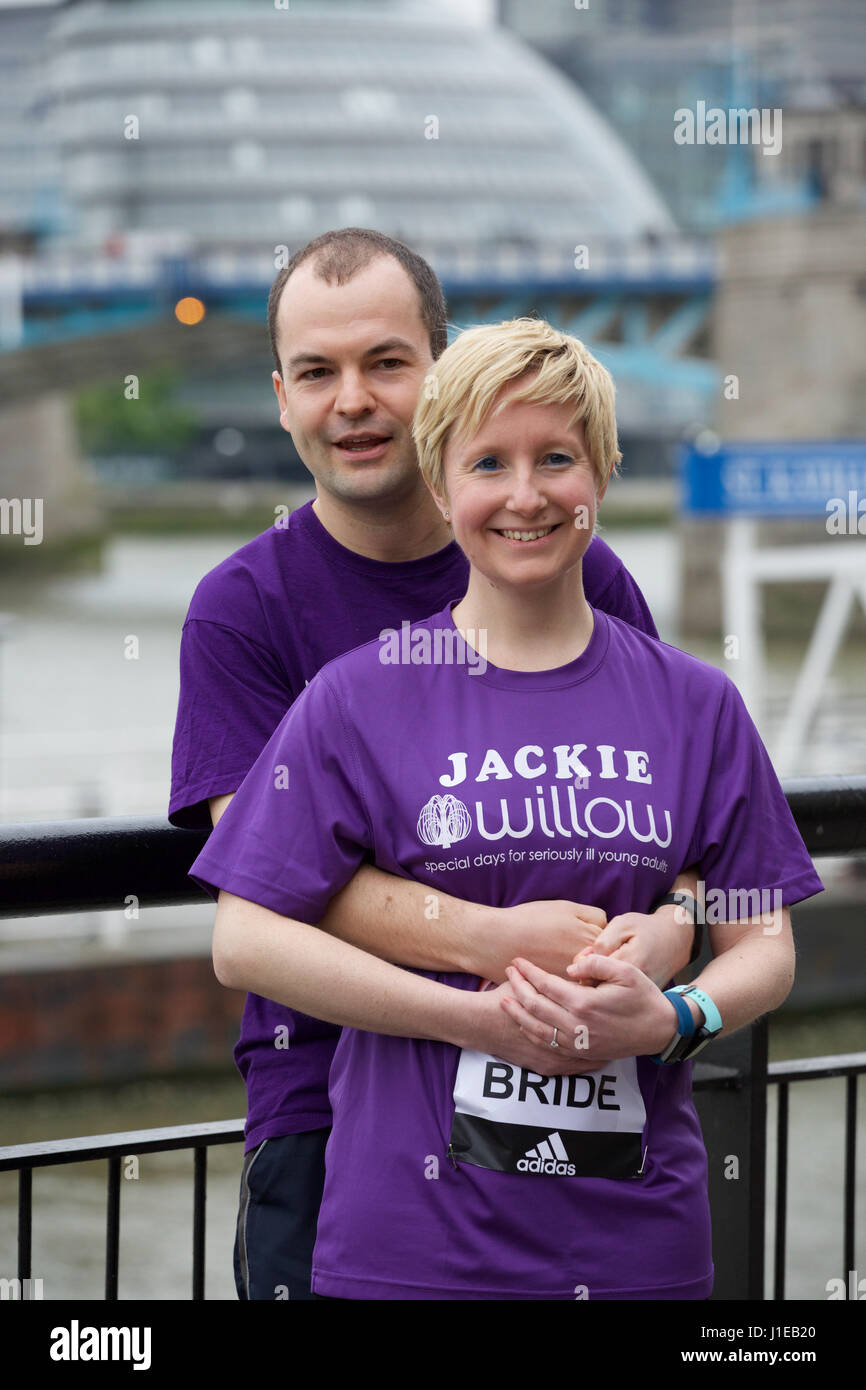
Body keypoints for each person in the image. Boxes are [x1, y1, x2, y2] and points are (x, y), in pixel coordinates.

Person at [190, 317, 823, 1300]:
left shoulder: (696, 704)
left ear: (602, 474)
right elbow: (247, 940)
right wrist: (474, 1020)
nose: (525, 495)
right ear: (440, 489)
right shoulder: (357, 699)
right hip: (409, 1246)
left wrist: (670, 1017)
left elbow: (761, 940)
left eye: (556, 458)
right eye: (487, 461)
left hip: (635, 1247)